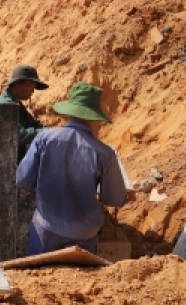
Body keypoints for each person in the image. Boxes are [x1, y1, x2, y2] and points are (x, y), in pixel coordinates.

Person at [16, 82, 131, 256]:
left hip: (46, 232)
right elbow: (113, 199)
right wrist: (126, 196)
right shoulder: (105, 154)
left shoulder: (44, 138)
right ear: (94, 118)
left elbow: (23, 180)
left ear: (68, 112)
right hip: (84, 237)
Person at [0, 64, 48, 159]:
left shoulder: (16, 103)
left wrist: (48, 130)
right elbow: (19, 135)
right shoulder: (5, 105)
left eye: (34, 87)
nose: (32, 91)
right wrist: (45, 132)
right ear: (17, 84)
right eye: (30, 86)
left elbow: (33, 123)